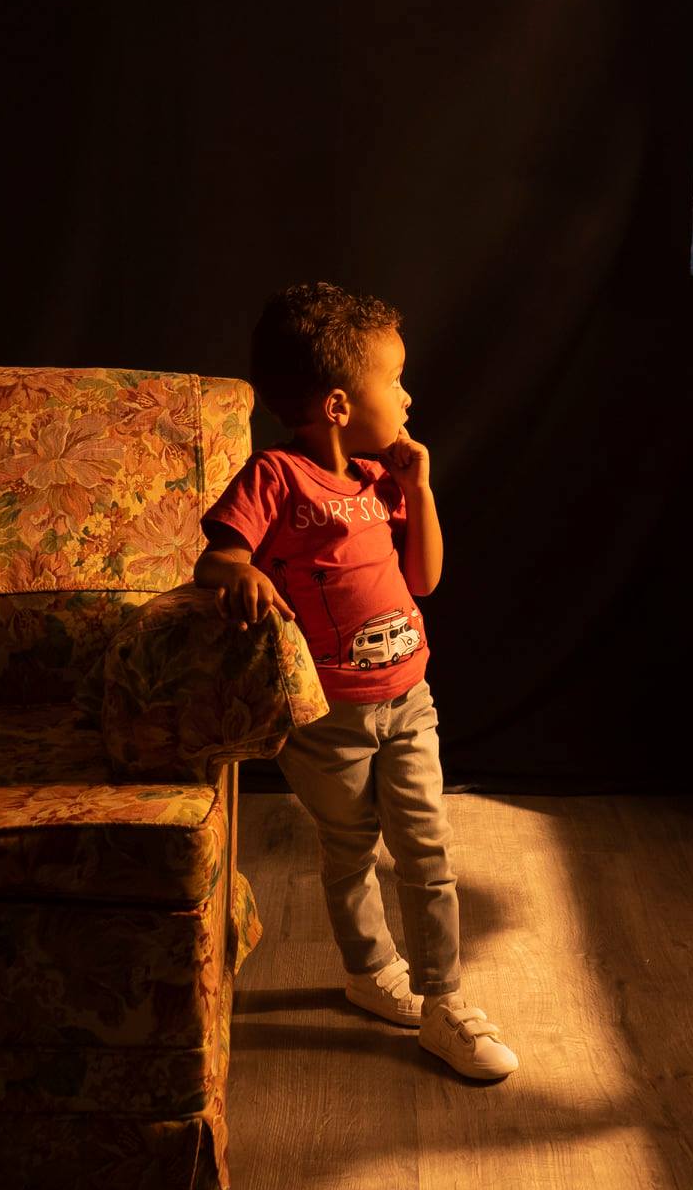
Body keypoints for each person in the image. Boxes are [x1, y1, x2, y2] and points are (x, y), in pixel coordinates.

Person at [193, 281, 519, 1079]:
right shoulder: (276, 476)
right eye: (394, 380)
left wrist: (419, 489)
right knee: (348, 848)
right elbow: (217, 558)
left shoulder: (381, 479)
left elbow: (425, 578)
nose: (407, 397)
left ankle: (445, 1003)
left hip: (409, 701)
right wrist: (240, 573)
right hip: (326, 721)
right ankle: (370, 972)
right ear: (339, 405)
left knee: (426, 848)